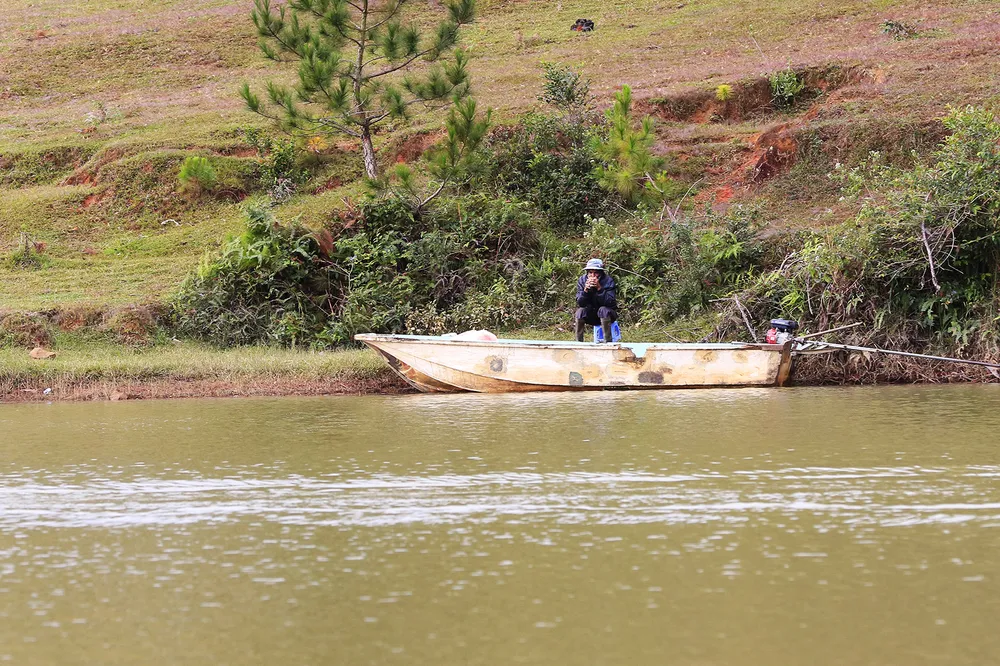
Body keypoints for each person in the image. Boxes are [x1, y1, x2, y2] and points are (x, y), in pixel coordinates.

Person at [574, 258, 617, 343]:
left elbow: (610, 302)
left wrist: (599, 288)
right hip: (591, 314)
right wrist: (585, 291)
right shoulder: (582, 280)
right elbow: (580, 303)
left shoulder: (608, 281)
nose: (593, 275)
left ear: (601, 273)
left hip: (606, 315)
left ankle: (608, 342)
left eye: (596, 273)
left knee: (603, 310)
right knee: (580, 312)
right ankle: (578, 342)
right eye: (590, 272)